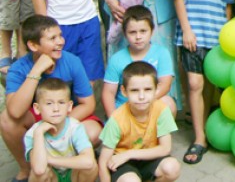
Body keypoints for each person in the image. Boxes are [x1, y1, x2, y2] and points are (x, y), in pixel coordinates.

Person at [0, 15, 102, 182]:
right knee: (6, 120)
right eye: (52, 38)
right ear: (33, 45)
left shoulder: (72, 61)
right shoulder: (18, 68)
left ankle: (70, 162)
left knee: (94, 132)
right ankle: (27, 169)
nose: (60, 41)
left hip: (68, 114)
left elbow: (88, 103)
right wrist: (36, 71)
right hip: (38, 116)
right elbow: (15, 111)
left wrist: (61, 122)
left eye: (60, 36)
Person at [174, 0, 234, 164]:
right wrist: (187, 30)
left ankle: (209, 130)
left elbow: (228, 5)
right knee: (196, 85)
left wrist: (227, 33)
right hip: (193, 37)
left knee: (211, 86)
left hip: (217, 37)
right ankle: (199, 139)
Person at [98, 61, 181, 182]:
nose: (141, 96)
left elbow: (165, 148)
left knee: (172, 167)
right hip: (122, 162)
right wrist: (126, 156)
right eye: (134, 90)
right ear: (124, 91)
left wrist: (130, 153)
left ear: (156, 89)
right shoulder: (117, 118)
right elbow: (103, 162)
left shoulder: (162, 110)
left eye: (147, 89)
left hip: (147, 156)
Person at [102, 5, 177, 118]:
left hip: (150, 103)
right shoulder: (117, 59)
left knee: (168, 103)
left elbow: (165, 84)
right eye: (132, 32)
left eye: (143, 31)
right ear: (125, 33)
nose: (138, 37)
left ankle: (158, 135)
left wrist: (142, 102)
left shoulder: (162, 53)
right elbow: (108, 93)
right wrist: (113, 119)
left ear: (151, 31)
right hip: (124, 107)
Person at [24, 78, 98, 182]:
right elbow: (39, 170)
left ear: (69, 106)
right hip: (52, 176)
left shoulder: (75, 127)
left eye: (61, 102)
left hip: (73, 174)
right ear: (37, 108)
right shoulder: (33, 133)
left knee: (92, 167)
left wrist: (50, 160)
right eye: (49, 103)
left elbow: (89, 161)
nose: (56, 109)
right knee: (39, 173)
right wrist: (39, 133)